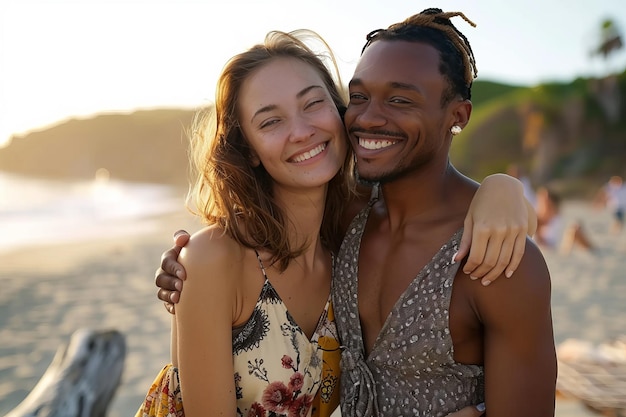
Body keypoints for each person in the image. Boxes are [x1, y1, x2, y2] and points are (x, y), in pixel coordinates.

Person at [152, 9, 550, 417]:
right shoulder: (321, 233)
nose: (369, 117)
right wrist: (191, 269)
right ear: (248, 147)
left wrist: (504, 188)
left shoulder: (482, 257)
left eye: (399, 99)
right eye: (359, 97)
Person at [535, 186, 594, 254]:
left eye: (544, 203)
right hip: (552, 250)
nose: (540, 205)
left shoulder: (556, 220)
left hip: (558, 249)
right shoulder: (536, 220)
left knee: (574, 230)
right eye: (540, 202)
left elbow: (549, 244)